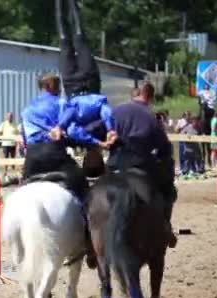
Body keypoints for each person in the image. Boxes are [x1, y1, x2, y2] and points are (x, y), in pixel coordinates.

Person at [20, 72, 101, 268]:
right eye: (58, 86)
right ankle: (90, 244)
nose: (60, 89)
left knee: (22, 192)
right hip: (55, 155)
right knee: (84, 190)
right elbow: (71, 130)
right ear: (52, 87)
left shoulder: (27, 109)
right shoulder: (61, 104)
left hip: (32, 158)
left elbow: (23, 139)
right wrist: (90, 142)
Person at [106, 82, 177, 249]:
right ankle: (165, 228)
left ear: (133, 96)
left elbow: (102, 132)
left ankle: (89, 241)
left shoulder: (115, 111)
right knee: (168, 190)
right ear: (149, 97)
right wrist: (162, 158)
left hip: (114, 163)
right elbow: (164, 147)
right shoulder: (150, 116)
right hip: (141, 164)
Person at [53, 0, 114, 178]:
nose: (91, 159)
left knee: (64, 40)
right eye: (95, 162)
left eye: (88, 162)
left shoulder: (77, 141)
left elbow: (70, 124)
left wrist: (95, 141)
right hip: (90, 82)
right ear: (101, 161)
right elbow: (106, 111)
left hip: (72, 85)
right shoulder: (105, 137)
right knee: (80, 37)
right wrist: (109, 131)